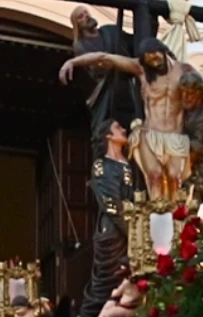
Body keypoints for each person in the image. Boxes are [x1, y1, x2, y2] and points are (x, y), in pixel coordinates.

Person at [60, 38, 189, 202]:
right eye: (150, 61)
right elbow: (105, 57)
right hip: (151, 134)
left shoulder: (183, 70)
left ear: (163, 51)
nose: (155, 64)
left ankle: (177, 224)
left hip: (175, 135)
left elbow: (201, 96)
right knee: (154, 178)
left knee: (175, 180)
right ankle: (157, 223)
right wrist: (72, 62)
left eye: (156, 58)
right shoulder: (142, 70)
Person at [78, 119, 134, 317]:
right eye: (118, 128)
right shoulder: (102, 166)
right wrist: (131, 229)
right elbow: (110, 201)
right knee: (105, 278)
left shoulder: (129, 164)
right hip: (112, 229)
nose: (124, 129)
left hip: (129, 228)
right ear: (108, 136)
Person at [68, 6, 136, 159]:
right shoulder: (81, 45)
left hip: (128, 86)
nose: (86, 16)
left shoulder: (111, 31)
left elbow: (135, 44)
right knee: (105, 131)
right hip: (108, 90)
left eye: (86, 13)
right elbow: (99, 67)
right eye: (80, 16)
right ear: (77, 25)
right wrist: (117, 62)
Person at [177, 67, 203, 202]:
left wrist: (179, 174)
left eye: (190, 93)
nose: (185, 97)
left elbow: (196, 152)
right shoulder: (185, 108)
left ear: (200, 94)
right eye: (183, 93)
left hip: (192, 172)